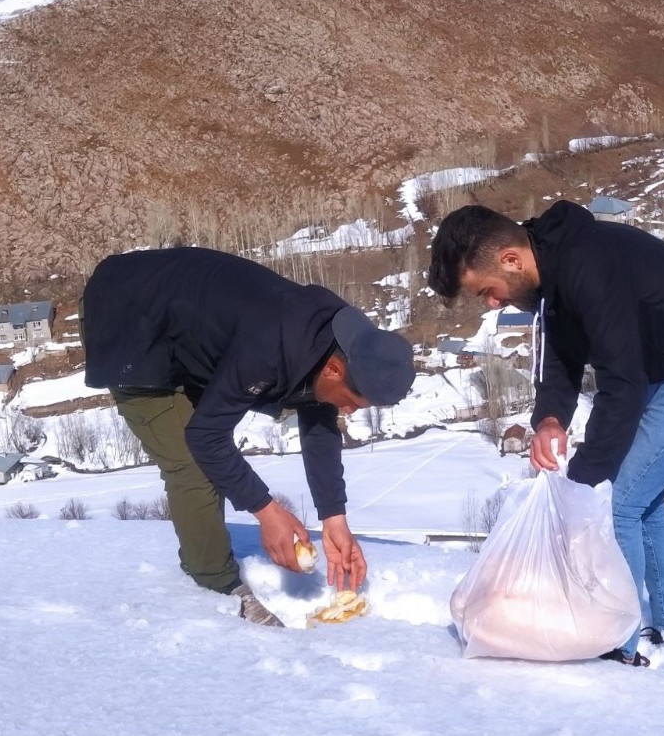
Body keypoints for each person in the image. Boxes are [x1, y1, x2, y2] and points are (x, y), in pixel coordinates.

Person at [427, 200, 664, 666]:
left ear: (510, 260)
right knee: (639, 501)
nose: (492, 303)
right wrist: (549, 419)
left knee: (618, 498)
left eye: (488, 291)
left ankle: (617, 641)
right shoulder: (553, 273)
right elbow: (561, 358)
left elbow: (619, 385)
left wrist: (585, 478)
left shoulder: (587, 265)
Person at [81, 247, 415, 626]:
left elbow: (317, 412)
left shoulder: (342, 341)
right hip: (129, 317)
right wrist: (266, 511)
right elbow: (206, 435)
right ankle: (214, 589)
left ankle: (211, 569)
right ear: (336, 370)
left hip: (180, 317)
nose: (351, 411)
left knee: (212, 454)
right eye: (355, 402)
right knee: (192, 466)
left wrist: (333, 517)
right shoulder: (271, 348)